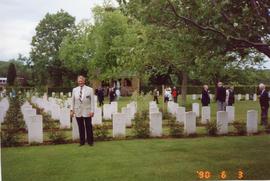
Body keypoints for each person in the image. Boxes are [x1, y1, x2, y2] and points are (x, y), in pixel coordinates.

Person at [70, 75, 95, 146]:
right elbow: (72, 101)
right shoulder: (74, 90)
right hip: (78, 111)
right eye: (79, 81)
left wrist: (92, 111)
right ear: (77, 81)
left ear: (84, 81)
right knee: (80, 127)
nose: (80, 82)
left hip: (87, 111)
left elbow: (92, 102)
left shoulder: (90, 89)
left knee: (88, 126)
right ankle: (82, 142)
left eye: (81, 81)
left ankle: (90, 142)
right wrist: (72, 110)